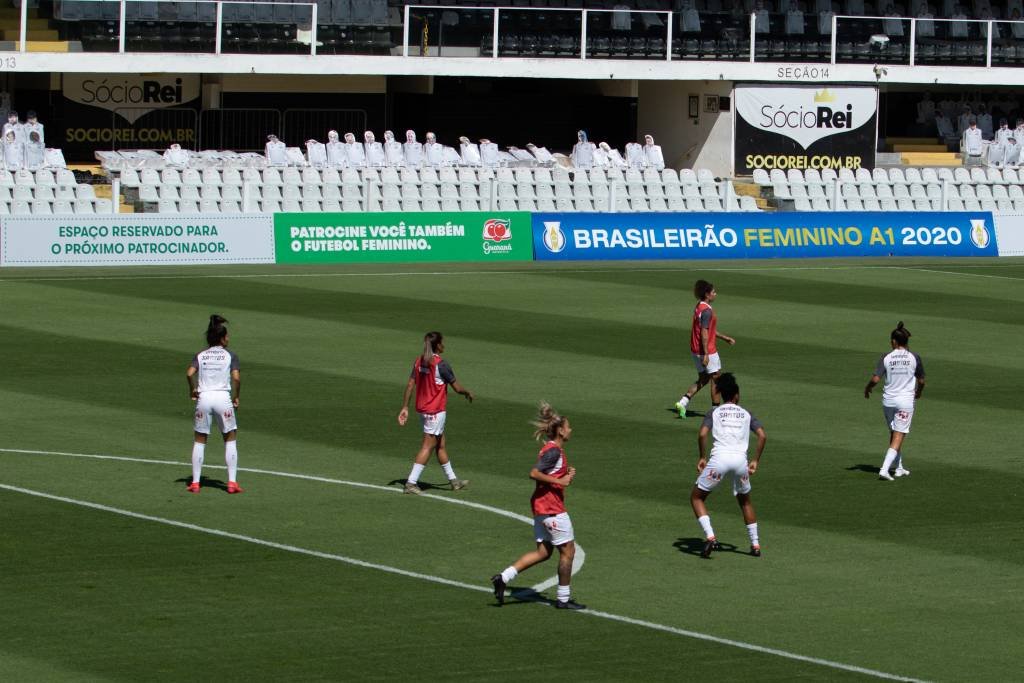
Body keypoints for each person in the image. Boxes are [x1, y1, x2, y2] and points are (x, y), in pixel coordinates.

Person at [490, 402, 584, 610]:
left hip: (541, 507)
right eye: (568, 427)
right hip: (552, 508)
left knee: (543, 552)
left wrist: (565, 476)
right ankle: (563, 599)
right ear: (560, 430)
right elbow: (534, 473)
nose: (571, 430)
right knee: (568, 551)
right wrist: (561, 482)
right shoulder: (553, 452)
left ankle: (503, 578)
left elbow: (548, 475)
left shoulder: (552, 450)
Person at [690, 373, 767, 558]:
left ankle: (710, 537)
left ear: (722, 394)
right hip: (740, 462)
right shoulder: (746, 413)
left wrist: (702, 456)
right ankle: (755, 545)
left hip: (719, 460)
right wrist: (755, 460)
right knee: (745, 501)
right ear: (737, 395)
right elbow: (762, 435)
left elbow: (702, 434)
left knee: (697, 498)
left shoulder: (714, 412)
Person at [397, 331, 474, 494]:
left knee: (440, 445)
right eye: (442, 342)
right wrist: (467, 392)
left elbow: (410, 385)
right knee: (427, 447)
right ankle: (411, 483)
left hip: (423, 411)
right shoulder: (441, 364)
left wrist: (405, 407)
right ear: (438, 345)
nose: (444, 345)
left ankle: (454, 481)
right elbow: (457, 388)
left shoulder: (419, 361)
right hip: (435, 412)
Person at [186, 315, 243, 494]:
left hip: (204, 399)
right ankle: (232, 482)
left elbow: (189, 373)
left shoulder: (201, 355)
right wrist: (236, 396)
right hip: (222, 399)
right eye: (227, 336)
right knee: (230, 438)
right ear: (221, 338)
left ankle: (195, 483)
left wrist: (193, 390)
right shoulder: (230, 355)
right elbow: (236, 378)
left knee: (200, 440)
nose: (228, 339)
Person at [864, 322, 925, 481]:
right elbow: (922, 381)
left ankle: (898, 467)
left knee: (894, 433)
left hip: (888, 401)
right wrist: (918, 392)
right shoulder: (914, 357)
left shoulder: (886, 357)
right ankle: (884, 469)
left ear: (894, 341)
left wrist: (867, 388)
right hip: (904, 402)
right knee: (899, 435)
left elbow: (876, 378)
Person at [676, 279, 736, 418]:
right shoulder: (707, 311)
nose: (716, 294)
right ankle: (715, 412)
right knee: (716, 379)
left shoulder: (699, 306)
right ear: (707, 294)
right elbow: (704, 333)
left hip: (695, 349)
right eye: (714, 292)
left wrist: (725, 338)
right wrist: (707, 354)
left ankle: (683, 402)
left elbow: (707, 330)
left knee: (703, 378)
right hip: (706, 350)